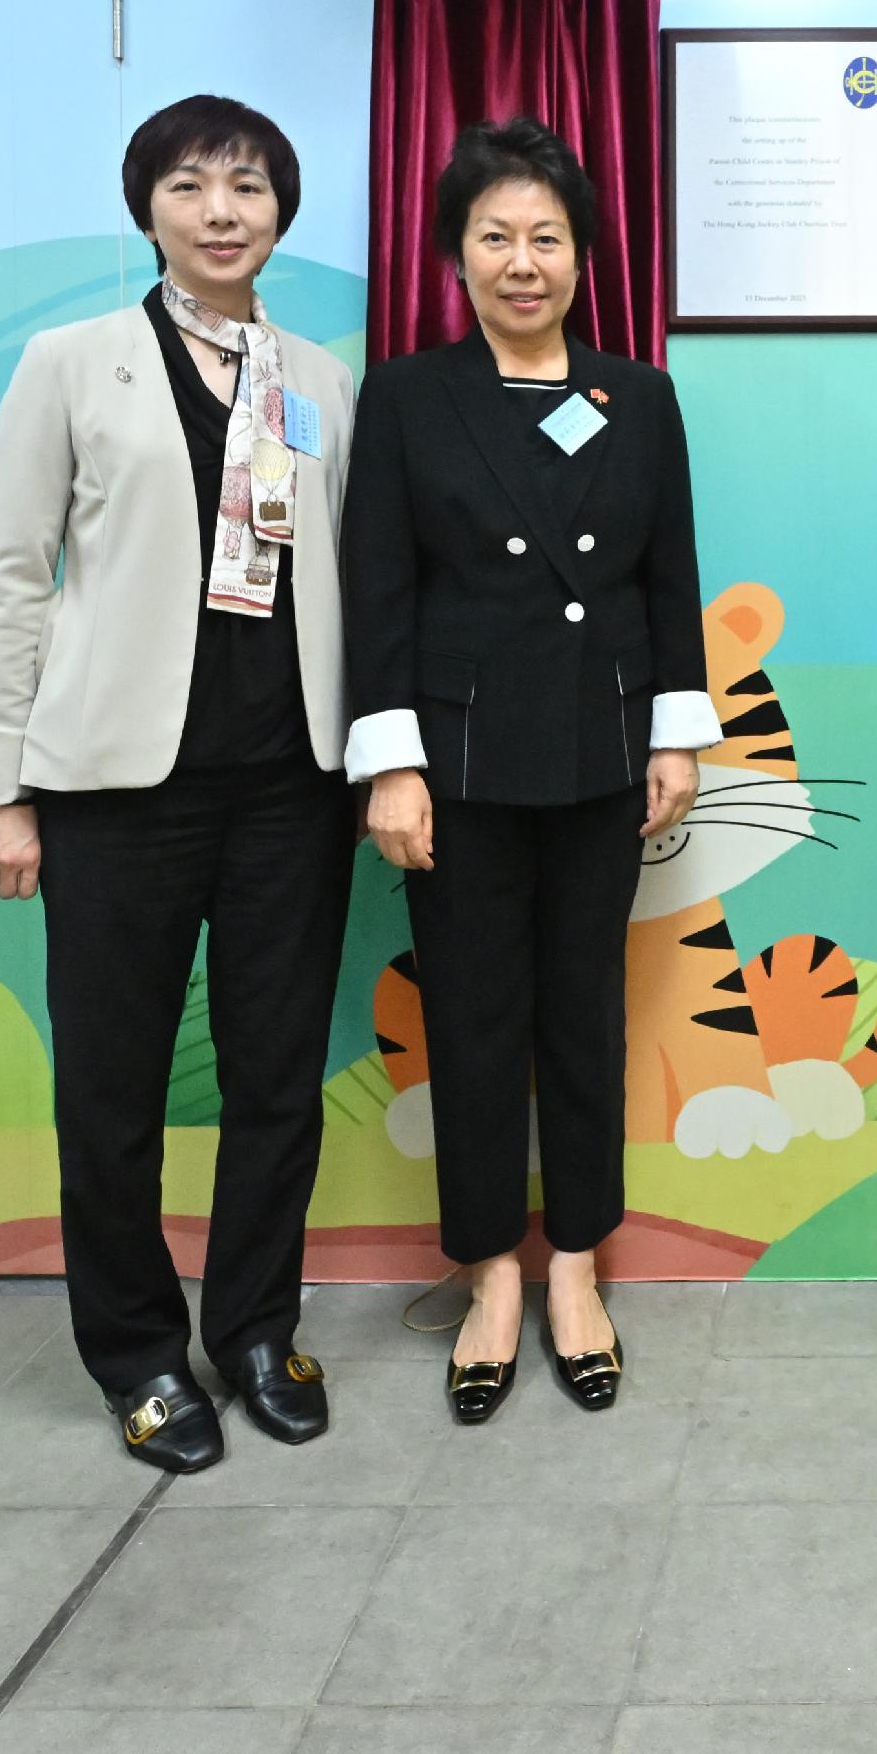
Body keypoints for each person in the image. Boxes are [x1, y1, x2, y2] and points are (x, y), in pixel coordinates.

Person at [0, 95, 360, 1473]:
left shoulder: (316, 375)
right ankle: (136, 1355)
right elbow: (14, 578)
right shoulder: (71, 362)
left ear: (279, 211)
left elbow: (346, 577)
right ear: (149, 209)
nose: (219, 210)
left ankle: (258, 1330)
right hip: (116, 790)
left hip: (289, 790)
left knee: (274, 1081)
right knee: (115, 1091)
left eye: (246, 185)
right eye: (189, 185)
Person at [342, 118, 709, 1425]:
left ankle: (576, 1268)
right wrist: (391, 765)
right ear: (454, 256)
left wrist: (673, 733)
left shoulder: (638, 395)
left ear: (581, 255)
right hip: (457, 764)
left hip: (603, 757)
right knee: (475, 1022)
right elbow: (376, 589)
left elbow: (672, 579)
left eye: (545, 237)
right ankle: (490, 1270)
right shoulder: (406, 396)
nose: (521, 260)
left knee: (584, 1022)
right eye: (494, 236)